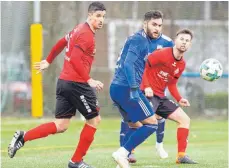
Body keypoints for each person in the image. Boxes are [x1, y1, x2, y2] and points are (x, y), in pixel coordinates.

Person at [8, 2, 106, 168]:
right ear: (89, 16)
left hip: (64, 83)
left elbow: (62, 42)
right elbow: (75, 59)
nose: (101, 20)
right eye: (98, 16)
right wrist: (89, 80)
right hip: (77, 84)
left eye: (103, 16)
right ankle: (76, 162)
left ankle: (23, 137)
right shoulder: (86, 34)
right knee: (94, 120)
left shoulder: (78, 29)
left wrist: (48, 60)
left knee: (61, 125)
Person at [110, 11, 166, 168]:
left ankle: (121, 160)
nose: (157, 29)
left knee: (136, 126)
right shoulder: (139, 40)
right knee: (152, 124)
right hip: (127, 88)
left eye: (160, 26)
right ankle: (121, 153)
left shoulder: (142, 40)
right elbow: (128, 64)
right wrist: (135, 88)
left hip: (117, 88)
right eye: (154, 24)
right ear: (145, 24)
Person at [141, 28, 197, 164]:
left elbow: (172, 84)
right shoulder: (161, 54)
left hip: (161, 97)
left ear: (190, 45)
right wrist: (147, 87)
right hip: (148, 94)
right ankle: (125, 152)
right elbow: (143, 68)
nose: (184, 42)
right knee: (143, 122)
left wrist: (179, 99)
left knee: (185, 119)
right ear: (175, 40)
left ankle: (181, 156)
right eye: (182, 39)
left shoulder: (182, 64)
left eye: (187, 41)